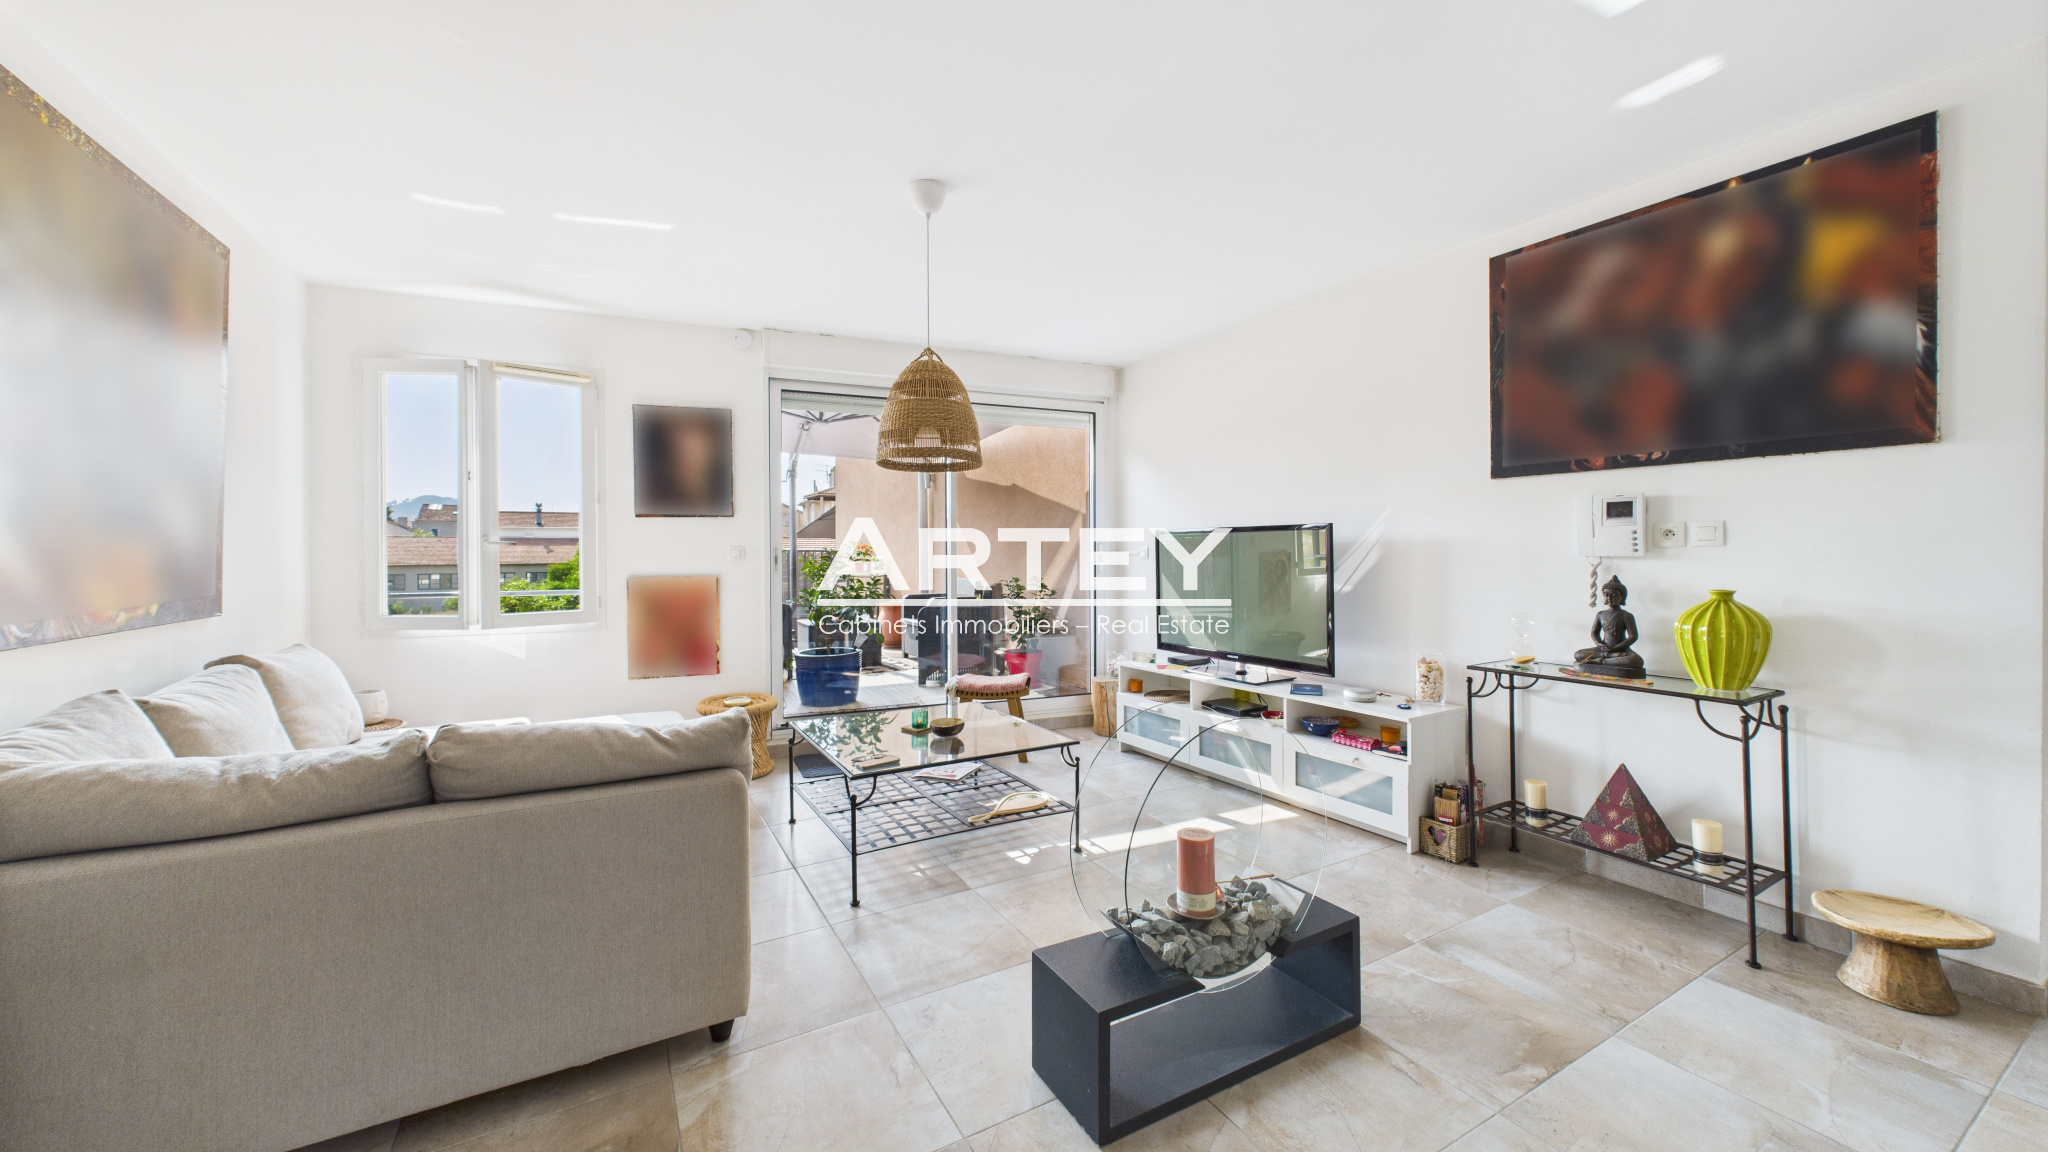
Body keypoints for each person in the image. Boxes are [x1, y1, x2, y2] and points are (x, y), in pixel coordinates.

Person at [1573, 575, 1645, 676]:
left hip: (1621, 650)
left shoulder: (1626, 615)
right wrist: (1600, 644)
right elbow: (1594, 633)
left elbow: (1633, 636)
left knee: (1636, 660)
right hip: (1603, 649)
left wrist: (1617, 648)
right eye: (1606, 595)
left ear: (1622, 597)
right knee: (1578, 654)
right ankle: (1607, 657)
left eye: (1613, 595)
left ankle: (1602, 661)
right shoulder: (1600, 614)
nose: (1609, 598)